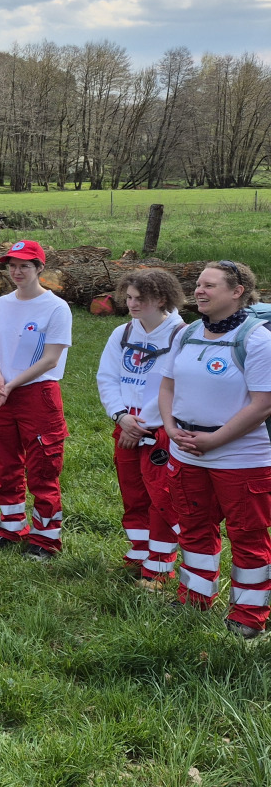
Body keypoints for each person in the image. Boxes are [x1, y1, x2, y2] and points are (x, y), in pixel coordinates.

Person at [159, 261, 271, 639]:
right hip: (186, 452)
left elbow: (263, 404)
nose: (199, 290)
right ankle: (195, 598)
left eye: (209, 285)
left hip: (241, 459)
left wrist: (216, 439)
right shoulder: (187, 333)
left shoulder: (257, 340)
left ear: (237, 292)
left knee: (248, 536)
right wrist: (170, 428)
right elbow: (167, 387)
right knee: (193, 528)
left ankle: (248, 617)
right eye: (198, 284)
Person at [0, 241, 74, 560]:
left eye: (25, 266)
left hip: (37, 394)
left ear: (40, 268)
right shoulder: (1, 305)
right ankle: (10, 528)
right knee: (4, 463)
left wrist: (12, 384)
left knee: (43, 467)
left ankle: (45, 539)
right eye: (12, 266)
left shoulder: (56, 308)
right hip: (1, 392)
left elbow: (50, 359)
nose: (17, 272)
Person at [96, 269, 187, 584]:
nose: (132, 304)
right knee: (133, 494)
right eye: (129, 297)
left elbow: (176, 387)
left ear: (161, 299)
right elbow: (107, 377)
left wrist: (143, 424)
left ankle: (159, 568)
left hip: (159, 430)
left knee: (161, 498)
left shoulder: (181, 335)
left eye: (140, 298)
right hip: (125, 425)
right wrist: (121, 416)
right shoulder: (122, 333)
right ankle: (139, 554)